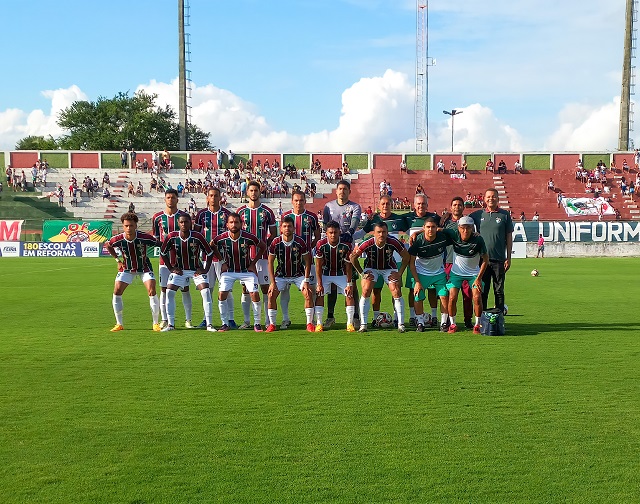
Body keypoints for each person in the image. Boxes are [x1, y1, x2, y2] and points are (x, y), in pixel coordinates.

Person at [160, 214, 216, 332]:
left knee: (206, 291)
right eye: (181, 222)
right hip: (180, 271)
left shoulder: (197, 236)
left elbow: (210, 253)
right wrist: (171, 268)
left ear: (190, 223)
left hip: (195, 270)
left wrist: (205, 270)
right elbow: (163, 252)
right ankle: (171, 324)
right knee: (169, 292)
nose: (184, 224)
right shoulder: (171, 236)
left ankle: (209, 324)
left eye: (186, 222)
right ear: (178, 223)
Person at [350, 222, 410, 333]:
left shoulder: (393, 242)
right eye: (378, 232)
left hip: (389, 268)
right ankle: (363, 325)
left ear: (387, 233)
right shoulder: (367, 243)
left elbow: (406, 257)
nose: (381, 235)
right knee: (366, 289)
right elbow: (353, 257)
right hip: (371, 268)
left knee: (396, 290)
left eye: (384, 232)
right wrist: (362, 273)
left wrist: (399, 273)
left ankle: (401, 324)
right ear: (374, 233)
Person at [106, 212, 161, 332]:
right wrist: (117, 260)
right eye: (126, 226)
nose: (128, 228)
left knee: (152, 290)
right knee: (117, 291)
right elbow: (108, 245)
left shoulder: (144, 237)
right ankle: (119, 323)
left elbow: (159, 244)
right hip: (127, 268)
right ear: (123, 226)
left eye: (131, 225)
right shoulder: (118, 239)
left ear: (136, 225)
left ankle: (155, 323)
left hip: (144, 268)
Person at [211, 213, 267, 332]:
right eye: (231, 222)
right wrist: (222, 261)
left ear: (241, 224)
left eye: (236, 222)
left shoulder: (248, 237)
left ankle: (257, 323)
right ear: (227, 225)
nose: (234, 224)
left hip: (246, 270)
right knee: (221, 294)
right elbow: (212, 246)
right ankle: (224, 323)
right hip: (229, 271)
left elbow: (263, 247)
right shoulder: (222, 237)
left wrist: (253, 263)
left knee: (254, 294)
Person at [362, 195, 410, 327]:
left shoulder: (399, 218)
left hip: (394, 260)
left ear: (392, 205)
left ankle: (396, 318)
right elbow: (361, 233)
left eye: (388, 203)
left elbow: (410, 231)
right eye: (383, 203)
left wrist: (416, 236)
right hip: (375, 262)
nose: (385, 206)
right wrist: (347, 238)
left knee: (396, 289)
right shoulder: (374, 219)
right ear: (379, 205)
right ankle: (376, 318)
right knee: (375, 291)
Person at [322, 180, 362, 329]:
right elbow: (326, 226)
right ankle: (330, 316)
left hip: (348, 250)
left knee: (352, 284)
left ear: (349, 191)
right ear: (336, 191)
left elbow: (354, 223)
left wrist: (349, 233)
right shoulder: (328, 206)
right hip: (331, 250)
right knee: (332, 283)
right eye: (340, 189)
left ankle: (356, 316)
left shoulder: (355, 207)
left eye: (345, 189)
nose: (342, 191)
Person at [151, 188, 193, 329]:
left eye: (173, 198)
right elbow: (156, 238)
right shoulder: (157, 217)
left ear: (177, 199)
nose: (170, 200)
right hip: (165, 261)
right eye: (168, 197)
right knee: (164, 289)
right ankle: (165, 319)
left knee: (185, 289)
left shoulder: (183, 216)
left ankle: (188, 320)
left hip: (182, 260)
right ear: (165, 199)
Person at [237, 181, 277, 328]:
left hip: (262, 257)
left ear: (260, 192)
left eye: (256, 190)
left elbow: (273, 233)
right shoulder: (241, 212)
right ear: (247, 192)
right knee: (245, 289)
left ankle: (267, 320)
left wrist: (264, 245)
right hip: (245, 257)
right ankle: (247, 321)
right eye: (251, 190)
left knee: (265, 287)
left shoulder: (267, 211)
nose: (254, 193)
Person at [194, 187, 235, 328]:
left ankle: (230, 319)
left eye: (216, 195)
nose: (213, 198)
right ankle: (206, 319)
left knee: (227, 290)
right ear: (207, 198)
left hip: (223, 258)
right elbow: (196, 235)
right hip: (206, 258)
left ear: (220, 197)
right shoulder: (201, 214)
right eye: (211, 195)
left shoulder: (227, 214)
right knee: (208, 290)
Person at [279, 190, 321, 329]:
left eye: (301, 200)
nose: (299, 203)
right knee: (285, 289)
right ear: (292, 201)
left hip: (306, 258)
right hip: (287, 258)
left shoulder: (312, 217)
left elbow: (317, 236)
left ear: (305, 201)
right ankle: (285, 318)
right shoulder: (286, 216)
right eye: (296, 200)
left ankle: (311, 319)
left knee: (311, 288)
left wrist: (308, 249)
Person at [265, 216, 314, 332]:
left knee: (308, 293)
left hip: (298, 275)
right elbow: (270, 263)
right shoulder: (275, 242)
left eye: (289, 226)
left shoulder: (300, 241)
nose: (287, 228)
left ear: (294, 228)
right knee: (271, 294)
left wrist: (306, 281)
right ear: (281, 228)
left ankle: (309, 323)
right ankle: (272, 324)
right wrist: (272, 283)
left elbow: (308, 261)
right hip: (281, 275)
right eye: (285, 226)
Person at [470, 188, 513, 315]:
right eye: (488, 197)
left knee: (499, 290)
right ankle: (481, 318)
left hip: (499, 259)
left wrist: (508, 257)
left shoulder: (505, 215)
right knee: (483, 290)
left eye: (493, 196)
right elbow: (463, 222)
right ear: (484, 199)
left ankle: (499, 316)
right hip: (482, 261)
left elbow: (509, 237)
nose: (491, 199)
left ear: (498, 199)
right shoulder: (478, 215)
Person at [443, 216, 490, 334]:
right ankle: (453, 324)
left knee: (476, 297)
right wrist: (417, 232)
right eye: (463, 228)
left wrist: (479, 278)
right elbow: (436, 230)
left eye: (468, 228)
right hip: (456, 273)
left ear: (472, 228)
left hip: (473, 274)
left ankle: (477, 324)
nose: (465, 230)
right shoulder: (453, 234)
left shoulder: (478, 239)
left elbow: (485, 259)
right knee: (452, 297)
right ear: (458, 228)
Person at [403, 193, 441, 327]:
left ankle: (434, 316)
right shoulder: (407, 217)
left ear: (427, 205)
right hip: (415, 261)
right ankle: (413, 316)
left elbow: (441, 229)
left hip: (431, 262)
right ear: (414, 205)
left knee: (432, 290)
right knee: (413, 289)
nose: (421, 206)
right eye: (418, 204)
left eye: (423, 203)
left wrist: (418, 232)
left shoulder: (434, 218)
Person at [408, 217, 451, 332]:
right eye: (428, 227)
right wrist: (417, 281)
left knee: (444, 296)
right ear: (424, 228)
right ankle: (420, 323)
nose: (430, 230)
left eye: (433, 227)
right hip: (422, 273)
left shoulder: (443, 238)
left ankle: (443, 323)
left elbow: (457, 233)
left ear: (437, 228)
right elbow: (411, 263)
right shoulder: (417, 242)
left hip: (439, 273)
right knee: (417, 296)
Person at [314, 221, 356, 332]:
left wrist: (349, 284)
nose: (333, 235)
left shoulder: (346, 245)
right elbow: (318, 265)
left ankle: (349, 323)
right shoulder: (321, 244)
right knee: (320, 293)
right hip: (326, 273)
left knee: (349, 294)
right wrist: (319, 284)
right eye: (331, 232)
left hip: (341, 273)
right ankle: (319, 323)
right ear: (326, 233)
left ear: (339, 232)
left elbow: (348, 266)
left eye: (335, 232)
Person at [441, 196, 473, 329]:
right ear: (451, 207)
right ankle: (449, 320)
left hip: (465, 263)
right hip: (449, 261)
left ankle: (468, 320)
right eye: (454, 205)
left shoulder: (468, 223)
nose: (457, 207)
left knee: (467, 294)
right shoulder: (445, 222)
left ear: (463, 207)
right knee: (449, 294)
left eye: (460, 205)